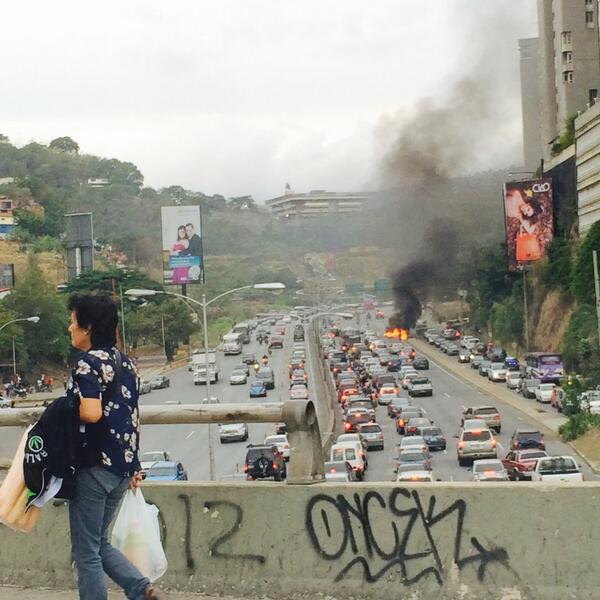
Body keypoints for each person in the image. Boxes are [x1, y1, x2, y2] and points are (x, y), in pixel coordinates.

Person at [66, 294, 162, 600]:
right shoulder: (125, 362)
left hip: (94, 468)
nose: (69, 328)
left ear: (88, 327)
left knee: (86, 553)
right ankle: (140, 588)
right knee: (98, 543)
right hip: (121, 470)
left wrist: (60, 409)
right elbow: (130, 415)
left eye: (73, 321)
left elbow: (91, 413)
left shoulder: (88, 364)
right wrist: (134, 465)